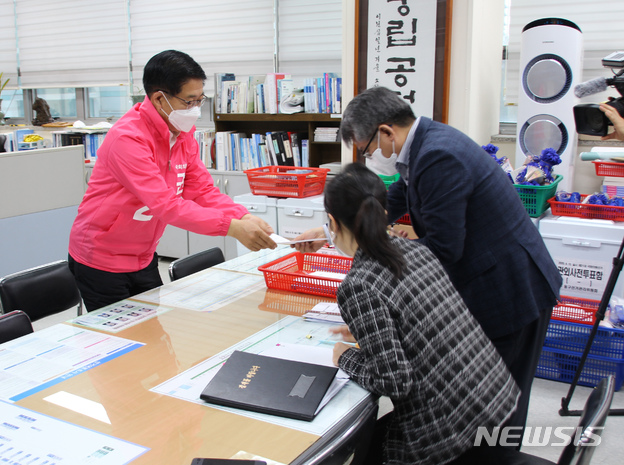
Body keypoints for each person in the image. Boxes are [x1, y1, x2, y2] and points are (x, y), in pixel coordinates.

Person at [295, 86, 562, 443]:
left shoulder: (438, 156)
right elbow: (390, 201)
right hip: (494, 275)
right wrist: (336, 228)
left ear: (386, 131)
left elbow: (442, 249)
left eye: (368, 148)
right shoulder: (424, 144)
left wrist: (377, 302)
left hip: (510, 288)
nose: (371, 156)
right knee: (484, 404)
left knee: (498, 407)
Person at [325, 163, 520, 465]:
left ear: (332, 222)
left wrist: (344, 357)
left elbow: (394, 382)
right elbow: (421, 318)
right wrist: (372, 332)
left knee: (356, 451)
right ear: (385, 211)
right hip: (495, 400)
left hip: (451, 433)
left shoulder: (359, 284)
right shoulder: (413, 249)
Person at [68, 50, 276, 311]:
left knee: (152, 333)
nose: (195, 110)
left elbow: (201, 189)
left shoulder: (181, 133)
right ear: (159, 98)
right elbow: (166, 205)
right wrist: (230, 227)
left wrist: (242, 216)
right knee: (126, 344)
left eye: (200, 100)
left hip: (142, 256)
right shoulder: (128, 138)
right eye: (189, 102)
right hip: (101, 259)